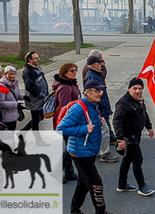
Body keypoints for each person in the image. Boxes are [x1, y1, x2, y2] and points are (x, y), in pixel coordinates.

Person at [57, 80, 110, 214]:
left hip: (89, 150)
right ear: (87, 92)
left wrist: (99, 120)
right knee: (95, 182)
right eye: (97, 91)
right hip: (80, 152)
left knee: (83, 182)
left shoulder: (93, 105)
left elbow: (89, 120)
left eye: (101, 90)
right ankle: (101, 211)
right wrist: (84, 128)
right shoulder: (79, 107)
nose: (100, 93)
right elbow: (61, 129)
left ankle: (75, 210)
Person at [114, 78, 155, 196]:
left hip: (136, 135)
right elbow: (117, 121)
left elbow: (144, 114)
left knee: (127, 160)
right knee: (137, 160)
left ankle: (122, 184)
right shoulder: (124, 102)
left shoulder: (139, 100)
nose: (137, 91)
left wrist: (149, 127)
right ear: (129, 89)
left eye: (140, 88)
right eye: (134, 89)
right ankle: (142, 186)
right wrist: (120, 138)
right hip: (129, 137)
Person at [84, 55, 118, 162]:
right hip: (99, 108)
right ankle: (104, 153)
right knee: (105, 130)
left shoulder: (96, 74)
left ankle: (99, 151)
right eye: (99, 63)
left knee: (102, 130)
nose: (102, 64)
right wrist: (101, 107)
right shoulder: (93, 77)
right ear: (94, 64)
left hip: (100, 107)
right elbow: (94, 96)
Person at [52, 63, 81, 183]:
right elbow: (66, 107)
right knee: (70, 147)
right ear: (64, 73)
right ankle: (57, 171)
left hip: (70, 119)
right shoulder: (64, 87)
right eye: (71, 71)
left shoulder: (71, 84)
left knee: (70, 146)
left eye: (75, 70)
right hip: (67, 121)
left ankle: (69, 172)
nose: (74, 72)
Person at [21, 52, 49, 146]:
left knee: (39, 117)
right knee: (36, 120)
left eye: (38, 57)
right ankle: (38, 140)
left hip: (39, 99)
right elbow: (30, 86)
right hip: (35, 100)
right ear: (30, 60)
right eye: (36, 58)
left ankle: (22, 132)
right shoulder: (29, 71)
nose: (38, 59)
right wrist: (40, 94)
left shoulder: (35, 69)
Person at [0, 66, 28, 131]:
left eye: (14, 74)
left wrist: (24, 97)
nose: (12, 76)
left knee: (12, 133)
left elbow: (15, 95)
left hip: (14, 115)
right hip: (5, 116)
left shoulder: (15, 83)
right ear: (5, 74)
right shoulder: (1, 86)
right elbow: (1, 102)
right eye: (10, 74)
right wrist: (16, 104)